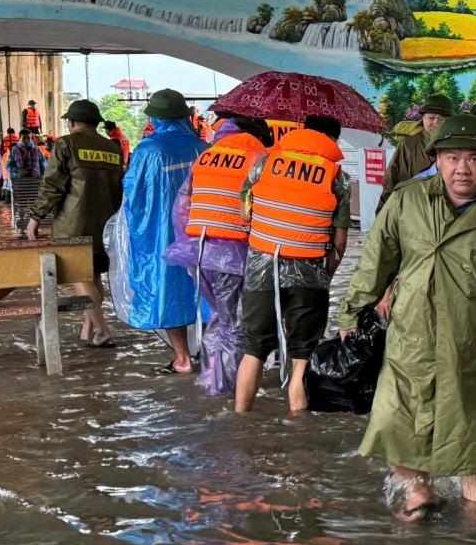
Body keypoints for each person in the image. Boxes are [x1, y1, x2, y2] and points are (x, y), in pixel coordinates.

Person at [338, 113, 476, 520]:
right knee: (397, 421)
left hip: (475, 339)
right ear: (437, 160)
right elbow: (374, 263)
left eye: (475, 158)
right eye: (453, 158)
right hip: (411, 335)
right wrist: (350, 313)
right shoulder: (407, 200)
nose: (463, 168)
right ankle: (418, 493)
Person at [234, 115, 351, 414]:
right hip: (310, 271)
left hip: (262, 266)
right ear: (332, 141)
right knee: (302, 354)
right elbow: (339, 241)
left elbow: (246, 212)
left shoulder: (265, 162)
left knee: (254, 349)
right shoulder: (336, 176)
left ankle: (240, 419)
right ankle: (298, 429)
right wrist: (327, 275)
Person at [164, 116, 270, 396]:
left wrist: (187, 250)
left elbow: (181, 207)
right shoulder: (258, 159)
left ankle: (213, 377)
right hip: (232, 256)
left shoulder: (206, 158)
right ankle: (226, 390)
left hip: (198, 251)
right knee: (235, 323)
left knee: (220, 319)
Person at [118, 88, 209, 373]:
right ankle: (209, 355)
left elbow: (133, 193)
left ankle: (182, 358)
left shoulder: (148, 150)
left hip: (162, 236)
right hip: (200, 233)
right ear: (186, 116)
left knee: (166, 290)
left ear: (155, 118)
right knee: (204, 291)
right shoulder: (203, 148)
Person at [26, 99, 123, 347]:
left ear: (71, 123)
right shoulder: (112, 148)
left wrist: (36, 217)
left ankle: (103, 330)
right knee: (94, 277)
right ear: (95, 123)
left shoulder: (66, 143)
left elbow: (52, 186)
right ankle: (88, 329)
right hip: (105, 225)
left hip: (74, 224)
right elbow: (119, 189)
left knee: (80, 277)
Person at [377, 93, 453, 212]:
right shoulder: (408, 145)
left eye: (442, 119)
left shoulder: (458, 145)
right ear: (423, 118)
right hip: (415, 211)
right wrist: (384, 213)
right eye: (431, 118)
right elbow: (391, 181)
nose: (436, 123)